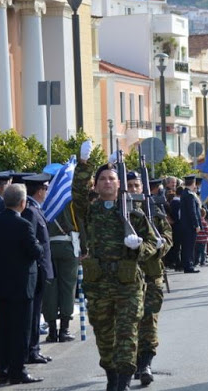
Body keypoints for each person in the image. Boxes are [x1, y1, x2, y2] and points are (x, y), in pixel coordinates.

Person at [73, 140, 159, 391]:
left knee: (127, 334)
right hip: (98, 284)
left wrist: (139, 247)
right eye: (102, 180)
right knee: (103, 335)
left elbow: (154, 244)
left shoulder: (134, 213)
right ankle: (111, 375)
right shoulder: (90, 211)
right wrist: (83, 165)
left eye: (112, 179)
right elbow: (77, 194)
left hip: (128, 284)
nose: (107, 183)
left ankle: (122, 383)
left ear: (119, 184)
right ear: (96, 185)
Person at [0, 184, 44, 384]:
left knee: (1, 331)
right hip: (21, 286)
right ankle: (18, 370)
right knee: (21, 331)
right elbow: (36, 251)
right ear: (22, 203)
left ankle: (4, 370)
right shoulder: (23, 225)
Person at [126, 171, 173, 386]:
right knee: (128, 323)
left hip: (151, 274)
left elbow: (168, 237)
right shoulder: (119, 212)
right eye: (130, 185)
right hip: (124, 278)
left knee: (149, 320)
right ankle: (131, 362)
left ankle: (145, 363)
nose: (134, 189)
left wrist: (161, 244)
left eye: (137, 185)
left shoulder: (153, 211)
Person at [21, 173, 55, 364]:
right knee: (33, 314)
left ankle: (34, 349)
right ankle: (31, 350)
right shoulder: (31, 211)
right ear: (40, 190)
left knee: (36, 313)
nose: (47, 192)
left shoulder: (36, 209)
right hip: (37, 270)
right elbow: (31, 241)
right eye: (45, 189)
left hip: (41, 269)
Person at [43, 201, 81, 343]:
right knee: (68, 288)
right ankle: (64, 329)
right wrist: (84, 246)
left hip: (48, 247)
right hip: (68, 246)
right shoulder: (68, 199)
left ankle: (52, 330)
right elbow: (80, 223)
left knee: (50, 288)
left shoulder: (47, 199)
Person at [179, 175, 202, 273]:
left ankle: (186, 264)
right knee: (189, 246)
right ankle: (188, 266)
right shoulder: (189, 195)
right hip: (189, 225)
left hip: (185, 225)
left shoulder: (185, 193)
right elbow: (192, 211)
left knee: (186, 246)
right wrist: (196, 224)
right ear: (193, 183)